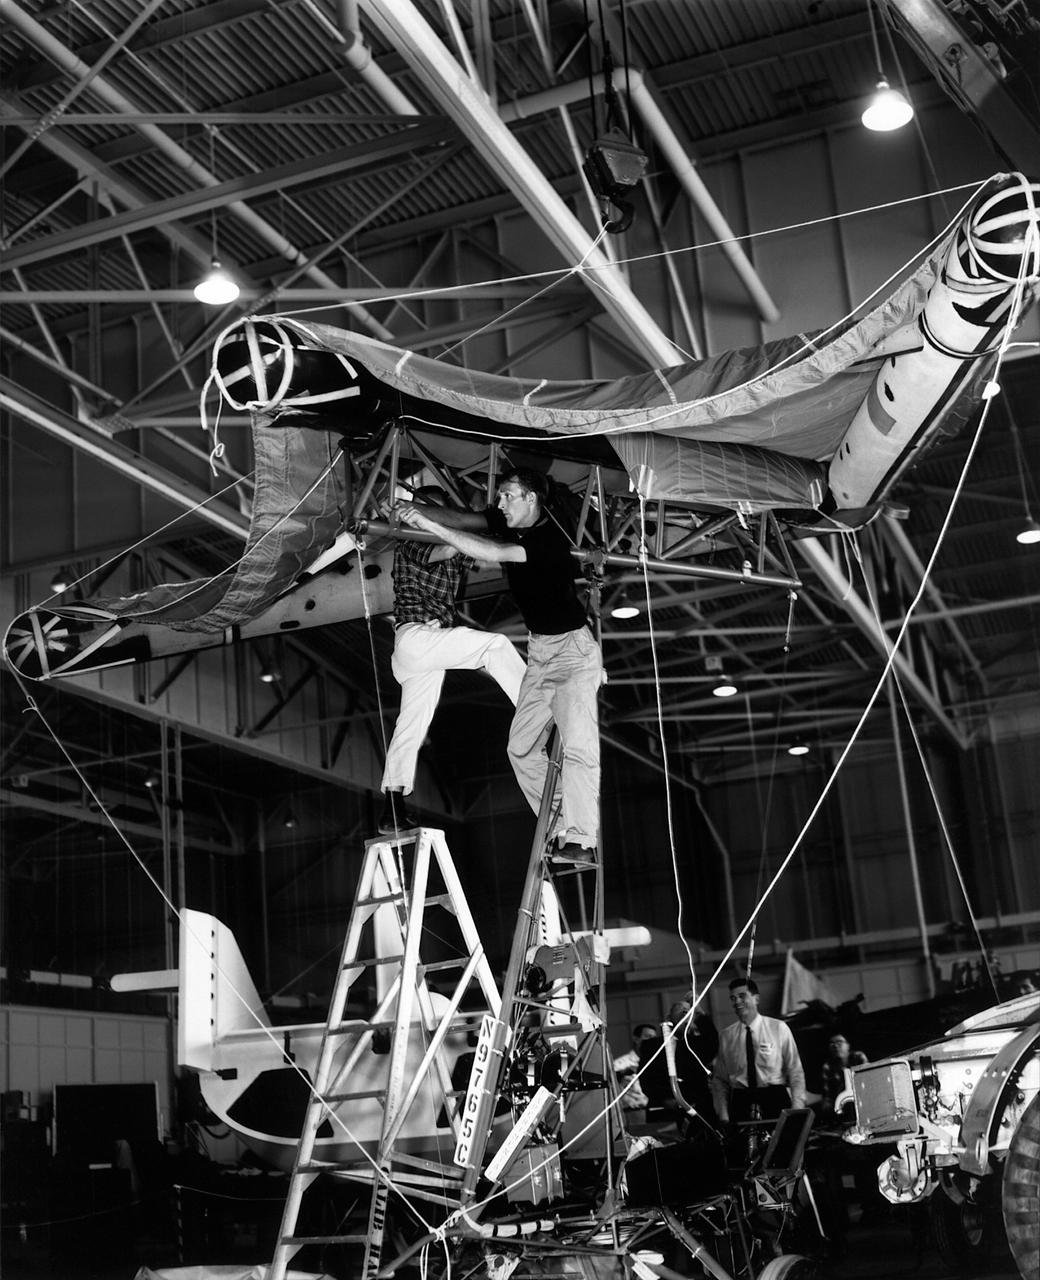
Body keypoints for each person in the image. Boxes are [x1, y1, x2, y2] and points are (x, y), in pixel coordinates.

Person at [396, 468, 603, 863]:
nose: (500, 503)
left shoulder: (549, 538)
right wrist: (416, 509)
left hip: (572, 653)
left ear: (531, 499)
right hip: (541, 652)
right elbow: (465, 520)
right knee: (520, 749)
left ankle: (582, 836)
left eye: (508, 496)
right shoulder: (510, 522)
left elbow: (490, 552)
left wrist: (423, 520)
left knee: (578, 746)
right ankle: (560, 823)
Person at [378, 488, 526, 834]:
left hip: (424, 649)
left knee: (412, 725)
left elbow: (477, 548)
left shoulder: (450, 548)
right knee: (496, 646)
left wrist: (496, 524)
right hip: (415, 639)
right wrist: (454, 526)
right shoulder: (410, 543)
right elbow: (448, 546)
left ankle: (393, 805)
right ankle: (535, 706)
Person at [710, 976, 806, 1124]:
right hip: (741, 1101)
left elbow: (795, 1070)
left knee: (781, 1145)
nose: (737, 1002)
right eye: (733, 998)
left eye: (742, 996)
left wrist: (797, 1108)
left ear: (756, 999)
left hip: (774, 1098)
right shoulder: (726, 1036)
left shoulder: (778, 1028)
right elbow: (720, 1080)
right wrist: (723, 1115)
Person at [817, 1033, 867, 1123]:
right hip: (842, 1109)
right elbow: (827, 1093)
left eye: (839, 1042)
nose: (835, 1046)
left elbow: (868, 1079)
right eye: (832, 1043)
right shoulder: (827, 1066)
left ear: (848, 1045)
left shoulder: (858, 1057)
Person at [613, 1024, 660, 1111]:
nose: (651, 1041)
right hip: (632, 1112)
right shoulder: (619, 1064)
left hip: (657, 1109)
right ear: (636, 1039)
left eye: (654, 1038)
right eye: (647, 1036)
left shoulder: (658, 1063)